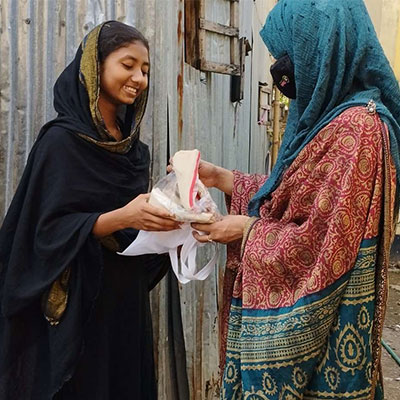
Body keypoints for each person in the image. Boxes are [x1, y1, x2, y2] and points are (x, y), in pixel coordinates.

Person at [191, 1, 400, 398]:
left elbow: (321, 248)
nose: (281, 72)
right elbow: (297, 199)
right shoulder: (327, 118)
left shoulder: (359, 131)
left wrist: (248, 230)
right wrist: (223, 179)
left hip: (326, 359)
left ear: (321, 50)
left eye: (287, 56)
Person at [0, 21, 180, 400]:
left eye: (145, 70)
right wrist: (124, 217)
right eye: (127, 64)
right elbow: (42, 234)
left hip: (125, 302)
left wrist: (173, 226)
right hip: (79, 305)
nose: (139, 78)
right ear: (94, 68)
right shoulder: (61, 142)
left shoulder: (135, 152)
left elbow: (132, 238)